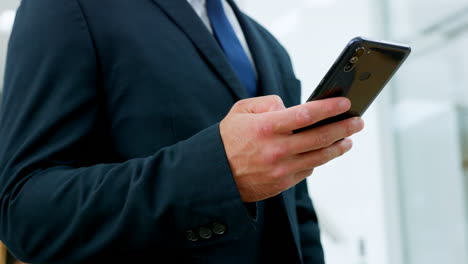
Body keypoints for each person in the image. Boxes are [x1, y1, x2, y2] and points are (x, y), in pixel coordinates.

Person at [0, 0, 364, 263]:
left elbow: (296, 216)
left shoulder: (269, 48)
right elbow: (24, 212)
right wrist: (219, 172)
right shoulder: (72, 7)